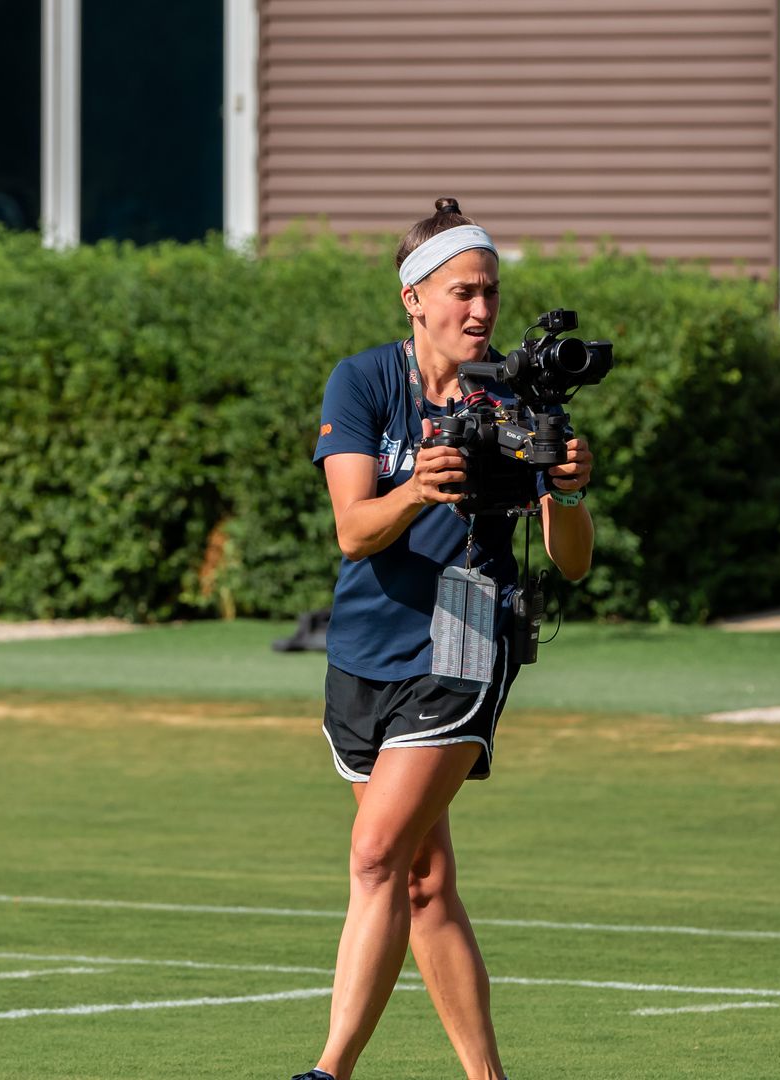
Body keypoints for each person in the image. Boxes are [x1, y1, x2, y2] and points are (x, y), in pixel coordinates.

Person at [295, 197, 596, 1080]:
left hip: (465, 638)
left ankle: (329, 1070)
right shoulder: (362, 383)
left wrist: (571, 489)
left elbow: (570, 562)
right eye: (462, 291)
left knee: (376, 853)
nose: (481, 310)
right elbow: (354, 530)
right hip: (361, 651)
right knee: (422, 882)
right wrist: (419, 489)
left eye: (490, 293)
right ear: (412, 299)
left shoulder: (520, 399)